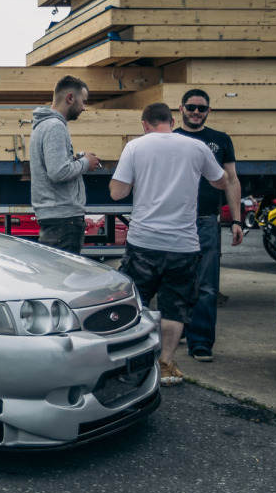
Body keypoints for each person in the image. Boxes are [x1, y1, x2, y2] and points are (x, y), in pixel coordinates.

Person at [110, 102, 229, 386]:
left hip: (144, 242)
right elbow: (222, 182)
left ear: (144, 124)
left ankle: (131, 363)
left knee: (136, 305)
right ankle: (165, 364)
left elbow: (117, 193)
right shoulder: (197, 147)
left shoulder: (135, 147)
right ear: (172, 121)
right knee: (175, 307)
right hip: (183, 244)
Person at [174, 89, 244, 362]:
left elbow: (232, 180)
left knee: (206, 286)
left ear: (208, 111)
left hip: (206, 221)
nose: (195, 112)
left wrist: (236, 219)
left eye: (201, 108)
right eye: (191, 107)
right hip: (175, 221)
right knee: (174, 281)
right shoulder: (171, 139)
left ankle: (201, 341)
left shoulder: (219, 140)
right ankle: (177, 328)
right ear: (180, 108)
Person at [29, 75, 102, 255]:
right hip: (63, 220)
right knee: (64, 280)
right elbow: (58, 172)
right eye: (83, 101)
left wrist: (76, 161)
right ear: (70, 98)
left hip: (57, 219)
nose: (84, 108)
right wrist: (85, 163)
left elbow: (55, 167)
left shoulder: (44, 125)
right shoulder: (55, 126)